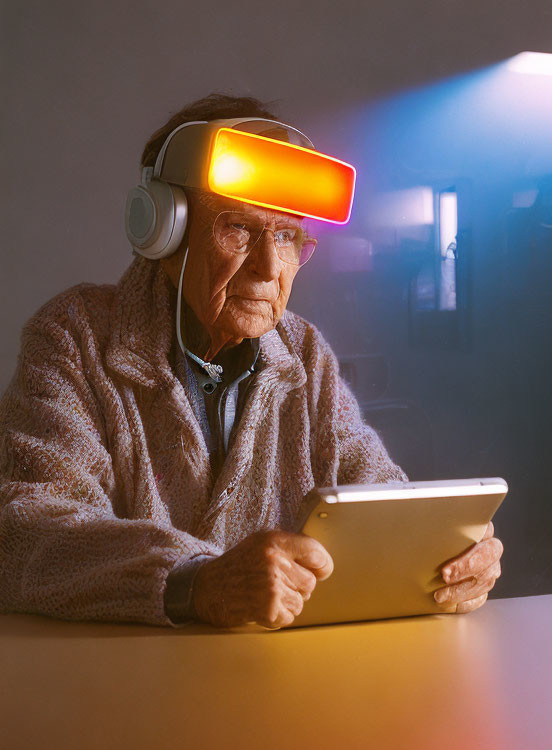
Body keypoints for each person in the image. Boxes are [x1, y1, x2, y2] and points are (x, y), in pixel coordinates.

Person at [0, 94, 503, 629]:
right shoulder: (75, 335)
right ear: (163, 232)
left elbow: (380, 501)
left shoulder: (304, 352)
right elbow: (26, 532)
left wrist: (443, 558)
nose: (268, 268)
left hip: (273, 684)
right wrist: (194, 580)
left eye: (287, 236)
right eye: (237, 228)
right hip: (124, 686)